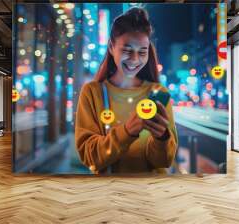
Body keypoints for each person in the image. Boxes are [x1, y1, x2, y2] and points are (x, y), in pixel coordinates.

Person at [75, 7, 178, 174]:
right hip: (109, 194)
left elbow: (164, 161)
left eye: (142, 52)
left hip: (152, 193)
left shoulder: (159, 92)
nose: (134, 60)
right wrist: (127, 131)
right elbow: (90, 157)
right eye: (127, 50)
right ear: (111, 47)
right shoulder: (92, 92)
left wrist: (162, 138)